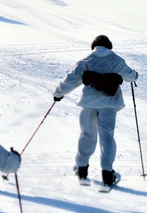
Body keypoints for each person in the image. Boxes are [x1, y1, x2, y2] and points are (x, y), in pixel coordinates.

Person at [53, 35, 139, 188]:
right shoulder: (117, 61)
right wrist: (134, 75)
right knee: (107, 137)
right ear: (109, 46)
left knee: (87, 134)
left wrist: (59, 93)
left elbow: (71, 79)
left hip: (89, 103)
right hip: (109, 104)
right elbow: (131, 77)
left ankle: (82, 170)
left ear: (94, 46)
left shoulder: (86, 60)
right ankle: (107, 174)